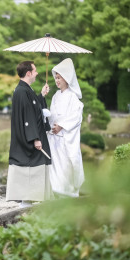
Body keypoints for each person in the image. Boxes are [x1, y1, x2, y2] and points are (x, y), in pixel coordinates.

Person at [6, 61, 53, 207]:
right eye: (35, 71)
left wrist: (42, 95)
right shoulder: (21, 91)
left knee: (35, 166)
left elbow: (33, 109)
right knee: (29, 167)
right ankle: (25, 201)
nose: (37, 73)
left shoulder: (26, 90)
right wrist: (35, 138)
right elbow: (27, 117)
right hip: (29, 138)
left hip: (31, 135)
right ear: (28, 73)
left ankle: (29, 199)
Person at [47, 58, 84, 197]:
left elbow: (76, 117)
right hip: (54, 137)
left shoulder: (73, 97)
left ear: (66, 78)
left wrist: (61, 126)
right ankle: (57, 193)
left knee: (69, 164)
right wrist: (51, 125)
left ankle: (70, 194)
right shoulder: (56, 96)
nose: (57, 81)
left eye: (59, 77)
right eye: (55, 77)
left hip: (66, 138)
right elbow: (53, 116)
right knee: (55, 167)